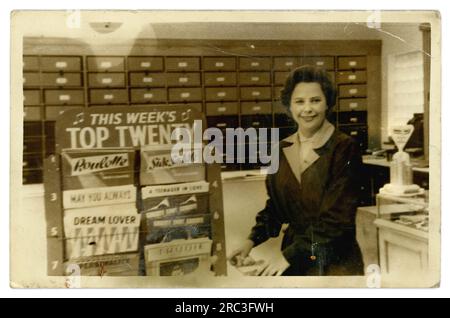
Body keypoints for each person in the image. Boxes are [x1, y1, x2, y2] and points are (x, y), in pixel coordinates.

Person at [228, 66, 364, 276]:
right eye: (299, 101)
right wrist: (250, 241)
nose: (307, 109)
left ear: (328, 102)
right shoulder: (280, 149)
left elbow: (336, 220)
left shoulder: (344, 148)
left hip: (334, 259)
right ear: (289, 107)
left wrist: (287, 257)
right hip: (295, 257)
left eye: (315, 100)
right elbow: (275, 208)